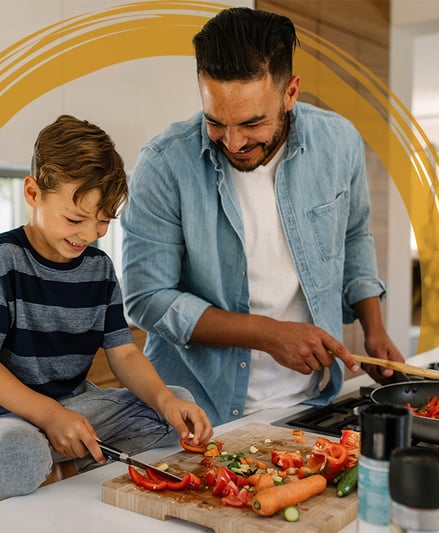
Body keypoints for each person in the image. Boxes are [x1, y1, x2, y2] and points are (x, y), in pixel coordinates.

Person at [120, 7, 404, 426]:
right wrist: (269, 334)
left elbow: (354, 235)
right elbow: (147, 300)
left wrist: (373, 325)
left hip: (313, 403)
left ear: (290, 93)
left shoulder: (340, 142)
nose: (233, 142)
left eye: (252, 122)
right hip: (195, 410)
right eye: (216, 121)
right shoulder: (163, 164)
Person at [0, 115, 212, 503]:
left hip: (72, 406)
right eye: (75, 218)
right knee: (17, 452)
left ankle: (60, 460)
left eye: (103, 221)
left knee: (172, 409)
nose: (89, 235)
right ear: (34, 193)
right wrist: (49, 417)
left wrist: (165, 400)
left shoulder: (99, 268)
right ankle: (50, 460)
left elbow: (123, 353)